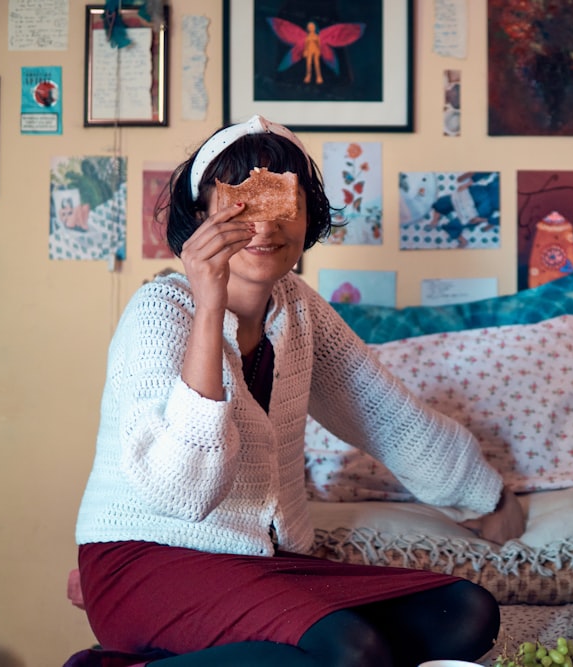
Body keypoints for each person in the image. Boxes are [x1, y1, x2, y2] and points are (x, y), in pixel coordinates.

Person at [71, 115, 524, 667]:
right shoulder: (159, 312)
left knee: (467, 611)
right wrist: (210, 304)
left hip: (262, 561)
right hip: (151, 556)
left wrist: (487, 497)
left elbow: (384, 413)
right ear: (199, 217)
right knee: (350, 652)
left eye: (284, 202)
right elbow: (182, 494)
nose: (263, 225)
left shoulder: (300, 310)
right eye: (239, 202)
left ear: (307, 219)